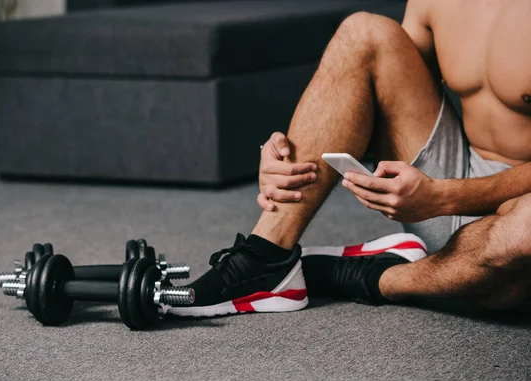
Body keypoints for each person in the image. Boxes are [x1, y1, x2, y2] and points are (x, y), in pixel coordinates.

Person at [168, 0, 531, 317]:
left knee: (521, 241)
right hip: (441, 198)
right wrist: (285, 156)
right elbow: (385, 96)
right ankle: (266, 257)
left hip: (513, 214)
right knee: (364, 32)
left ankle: (376, 277)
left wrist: (446, 195)